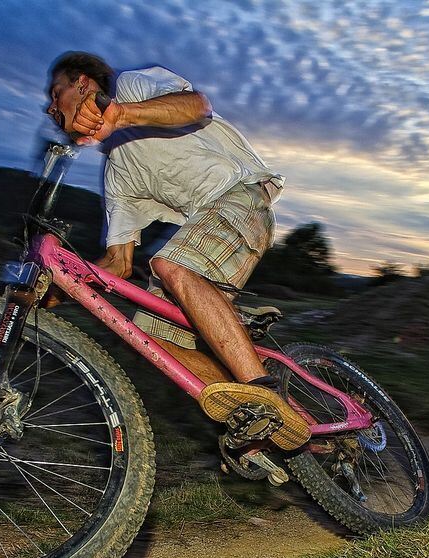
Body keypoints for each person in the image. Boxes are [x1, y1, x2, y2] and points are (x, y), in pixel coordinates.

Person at [45, 52, 309, 450]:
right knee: (151, 341)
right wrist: (54, 290)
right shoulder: (118, 174)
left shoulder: (131, 87)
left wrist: (119, 114)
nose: (50, 107)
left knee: (169, 264)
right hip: (207, 229)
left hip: (242, 199)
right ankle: (279, 422)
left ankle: (264, 396)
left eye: (56, 92)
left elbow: (196, 106)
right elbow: (117, 264)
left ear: (82, 84)